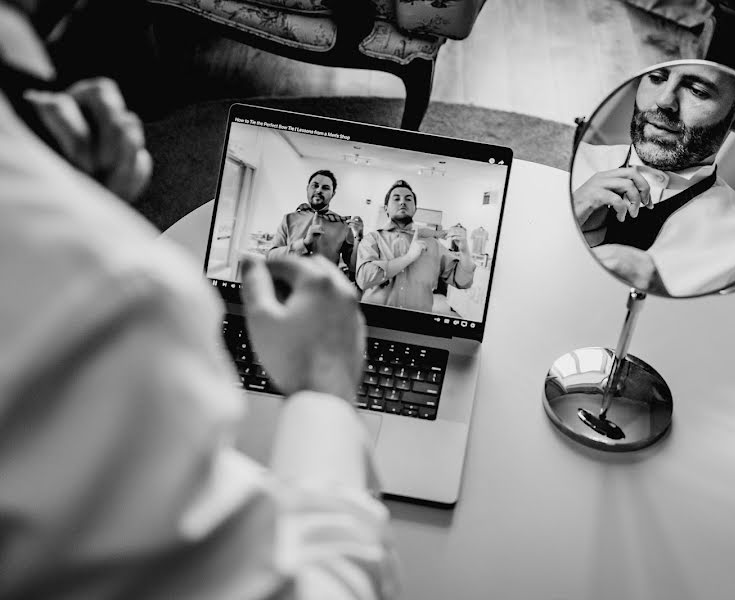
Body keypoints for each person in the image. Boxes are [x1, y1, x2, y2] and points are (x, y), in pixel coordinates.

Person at [0, 2, 397, 599]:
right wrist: (323, 383)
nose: (318, 189)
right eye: (314, 183)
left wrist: (75, 196)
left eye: (324, 185)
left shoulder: (350, 225)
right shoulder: (118, 298)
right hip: (293, 327)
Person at [572, 64, 735, 296]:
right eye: (656, 77)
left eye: (697, 90)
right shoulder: (567, 161)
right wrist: (563, 226)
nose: (664, 100)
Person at [356, 180, 474, 312]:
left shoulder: (433, 243)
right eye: (396, 199)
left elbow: (463, 281)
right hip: (375, 320)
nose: (402, 202)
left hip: (416, 324)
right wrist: (409, 257)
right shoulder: (372, 239)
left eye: (408, 199)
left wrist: (464, 250)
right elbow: (364, 279)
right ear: (386, 208)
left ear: (415, 209)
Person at [267, 169, 364, 280]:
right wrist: (303, 244)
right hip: (287, 287)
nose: (319, 190)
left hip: (322, 291)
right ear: (307, 188)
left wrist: (358, 237)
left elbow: (353, 267)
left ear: (333, 194)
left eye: (325, 188)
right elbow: (271, 257)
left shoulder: (342, 225)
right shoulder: (289, 219)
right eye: (315, 185)